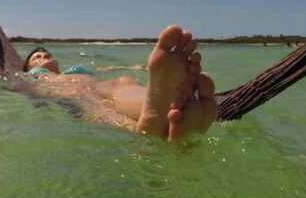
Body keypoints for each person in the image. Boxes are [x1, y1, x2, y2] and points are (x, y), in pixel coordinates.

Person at [13, 24, 217, 141]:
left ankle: (157, 101)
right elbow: (18, 85)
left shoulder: (72, 70)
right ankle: (154, 121)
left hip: (95, 84)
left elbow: (106, 71)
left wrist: (139, 68)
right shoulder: (34, 75)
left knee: (122, 82)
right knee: (93, 104)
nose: (44, 57)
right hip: (67, 92)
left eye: (47, 54)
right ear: (29, 67)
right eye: (37, 57)